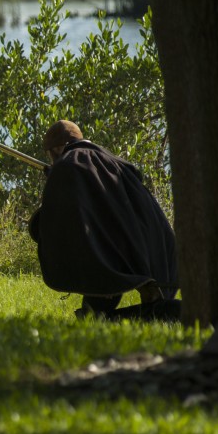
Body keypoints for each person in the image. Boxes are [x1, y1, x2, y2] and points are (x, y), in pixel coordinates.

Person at [28, 120, 181, 321]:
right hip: (145, 241)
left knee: (95, 315)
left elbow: (64, 213)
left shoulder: (69, 163)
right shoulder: (114, 162)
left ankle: (183, 312)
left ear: (56, 149)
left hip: (115, 250)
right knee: (97, 315)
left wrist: (58, 175)